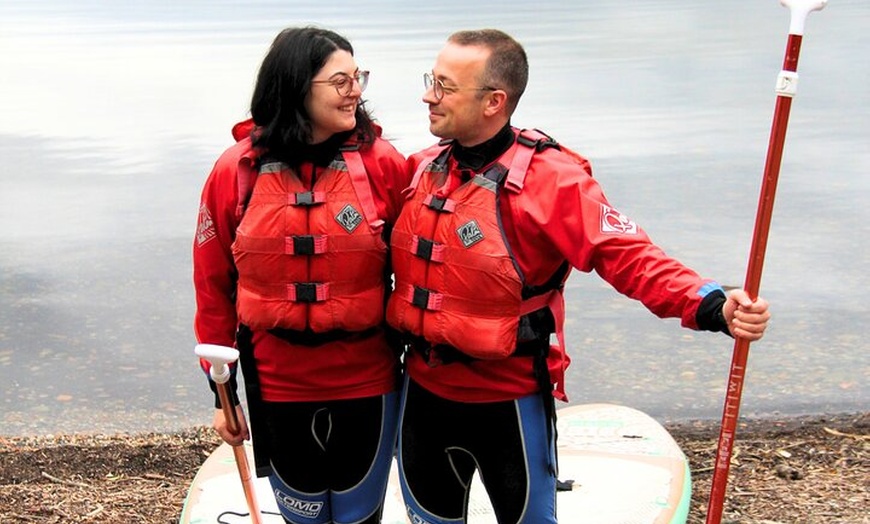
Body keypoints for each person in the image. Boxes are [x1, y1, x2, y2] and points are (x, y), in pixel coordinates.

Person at [387, 29, 771, 523]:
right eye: (430, 81)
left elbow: (628, 256)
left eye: (444, 86)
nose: (427, 95)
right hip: (422, 398)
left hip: (509, 405)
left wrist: (713, 304)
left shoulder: (553, 181)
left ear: (494, 102)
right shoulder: (421, 171)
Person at [192, 27, 408, 524]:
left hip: (368, 379)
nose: (355, 90)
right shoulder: (235, 171)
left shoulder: (383, 165)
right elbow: (211, 287)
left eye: (358, 78)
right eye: (340, 80)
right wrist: (222, 396)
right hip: (275, 382)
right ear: (295, 85)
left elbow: (422, 273)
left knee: (358, 516)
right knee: (304, 518)